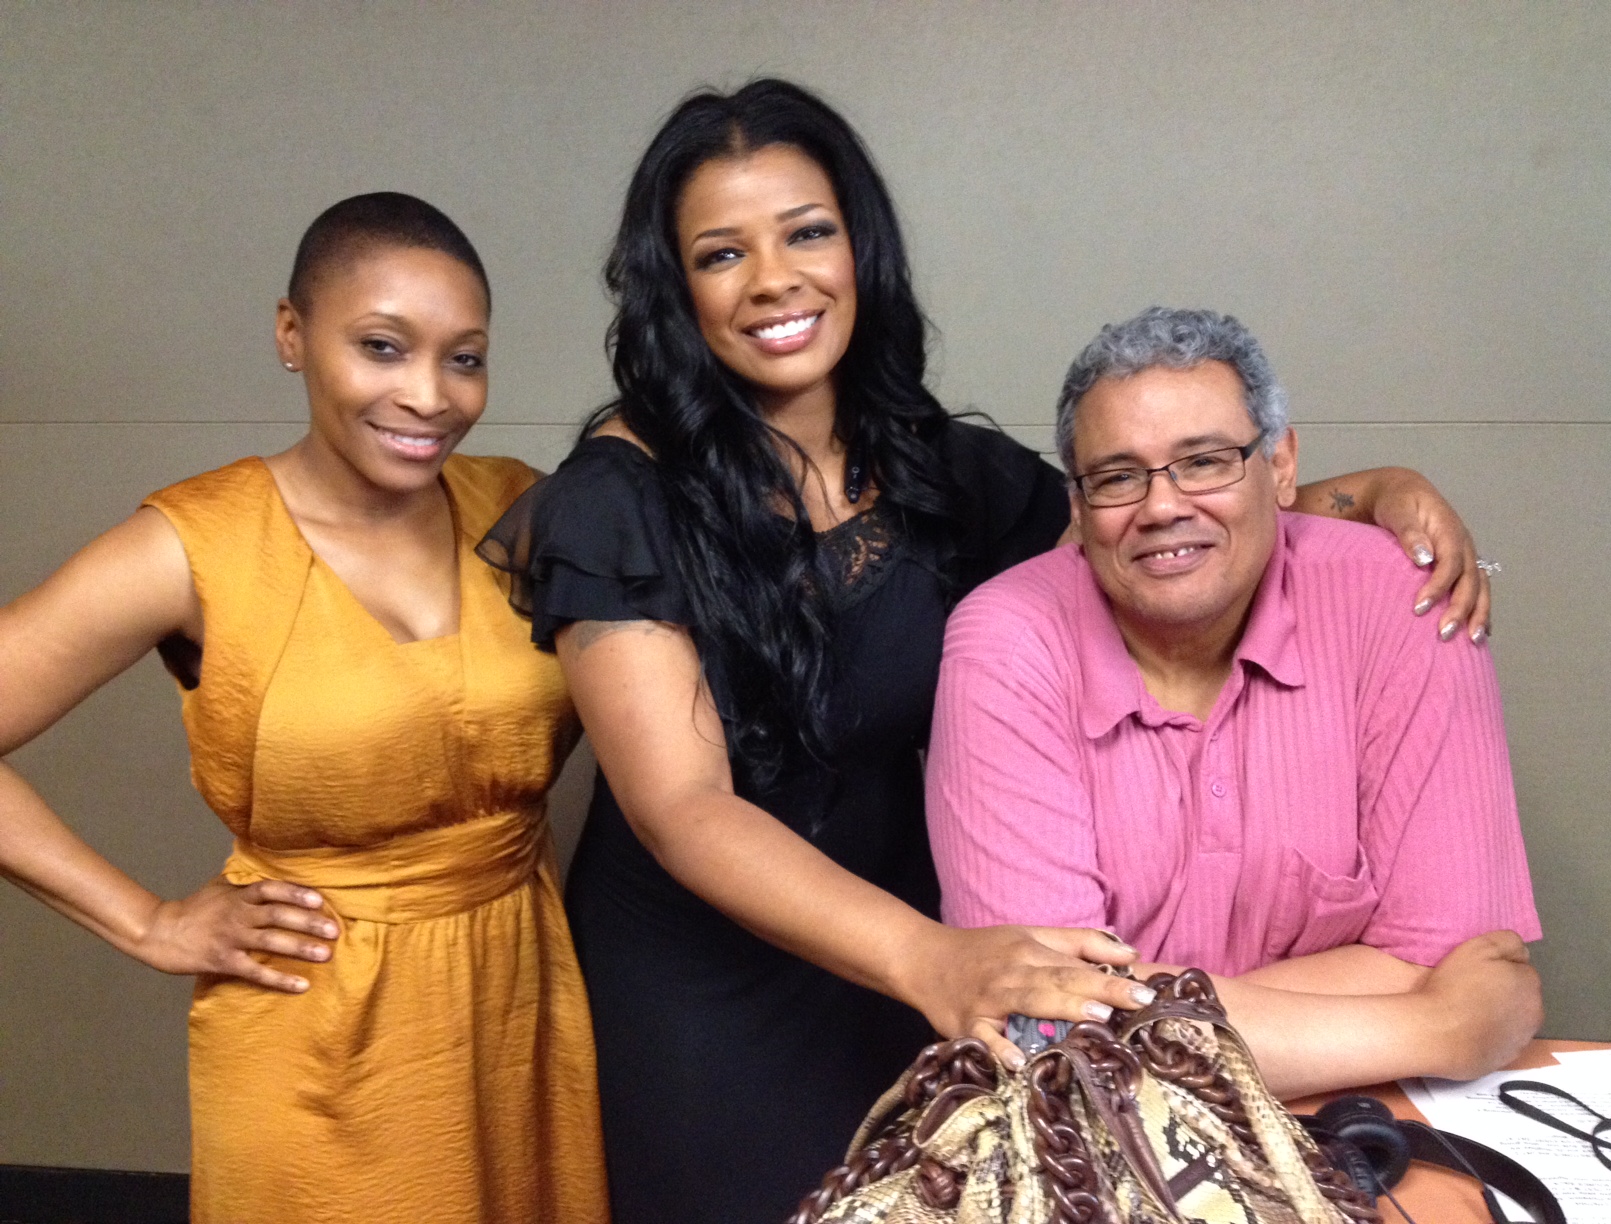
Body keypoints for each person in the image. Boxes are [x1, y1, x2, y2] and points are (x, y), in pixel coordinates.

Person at [479, 81, 1496, 1223]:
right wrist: (930, 961)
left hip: (918, 966)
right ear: (677, 287)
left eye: (807, 233)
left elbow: (1143, 523)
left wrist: (1368, 493)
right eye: (723, 253)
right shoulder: (615, 498)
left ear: (860, 248)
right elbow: (682, 807)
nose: (774, 279)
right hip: (712, 989)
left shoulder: (932, 465)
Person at [0, 194, 608, 1223]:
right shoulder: (193, 547)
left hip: (517, 1005)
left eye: (464, 359)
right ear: (292, 334)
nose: (430, 395)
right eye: (382, 347)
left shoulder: (522, 507)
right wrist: (148, 923)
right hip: (317, 1033)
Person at [926, 306, 1543, 1102]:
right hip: (1102, 1148)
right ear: (1077, 505)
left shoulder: (1404, 597)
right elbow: (1046, 1032)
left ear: (1281, 466)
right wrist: (1441, 1029)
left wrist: (1137, 1014)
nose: (1162, 507)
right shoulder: (1006, 640)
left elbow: (1460, 958)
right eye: (1118, 477)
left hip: (1384, 1116)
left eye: (1205, 462)